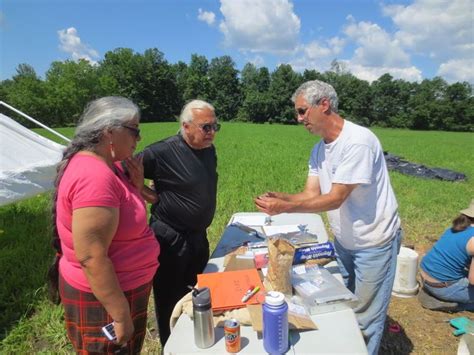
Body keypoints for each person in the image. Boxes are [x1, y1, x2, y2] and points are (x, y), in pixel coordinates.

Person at [255, 80, 402, 355]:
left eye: (302, 111)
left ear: (324, 104)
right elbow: (311, 193)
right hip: (345, 239)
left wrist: (283, 209)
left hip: (373, 241)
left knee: (366, 317)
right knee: (342, 304)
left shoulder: (357, 141)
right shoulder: (320, 149)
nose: (299, 119)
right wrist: (283, 197)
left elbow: (335, 198)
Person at [47, 97, 160, 353]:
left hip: (117, 292)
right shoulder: (95, 176)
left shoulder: (110, 166)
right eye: (135, 130)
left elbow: (126, 210)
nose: (139, 138)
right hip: (106, 301)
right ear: (110, 132)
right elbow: (91, 256)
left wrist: (137, 182)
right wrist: (120, 315)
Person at [139, 99, 219, 346]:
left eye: (216, 126)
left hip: (198, 237)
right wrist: (151, 195)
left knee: (198, 296)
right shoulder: (162, 152)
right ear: (186, 127)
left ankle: (195, 344)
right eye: (206, 127)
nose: (212, 133)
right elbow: (122, 173)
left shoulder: (208, 150)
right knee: (170, 301)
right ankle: (171, 347)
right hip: (170, 240)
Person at [420, 199, 474, 309]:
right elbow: (473, 280)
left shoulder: (458, 227)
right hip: (441, 286)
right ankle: (450, 304)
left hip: (424, 275)